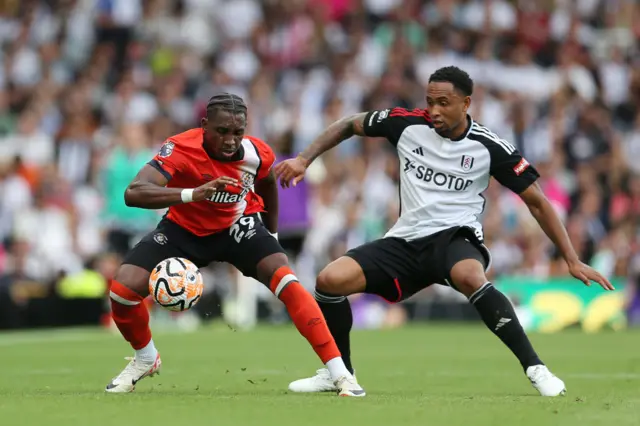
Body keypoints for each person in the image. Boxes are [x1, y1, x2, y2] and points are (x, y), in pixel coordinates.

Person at [275, 66, 614, 397]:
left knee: (470, 275)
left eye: (443, 103)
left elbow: (537, 202)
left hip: (455, 237)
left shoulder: (488, 146)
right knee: (329, 280)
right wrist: (305, 159)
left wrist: (571, 259)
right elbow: (350, 123)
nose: (434, 110)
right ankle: (340, 373)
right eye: (429, 101)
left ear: (466, 104)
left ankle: (536, 368)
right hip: (405, 239)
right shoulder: (406, 124)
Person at [106, 93, 364, 397]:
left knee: (290, 283)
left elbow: (267, 183)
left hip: (237, 227)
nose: (230, 140)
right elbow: (134, 192)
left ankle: (341, 374)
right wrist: (193, 194)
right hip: (183, 229)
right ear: (204, 125)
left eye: (237, 132)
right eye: (222, 131)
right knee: (122, 292)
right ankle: (146, 358)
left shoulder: (257, 153)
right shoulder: (180, 147)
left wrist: (272, 236)